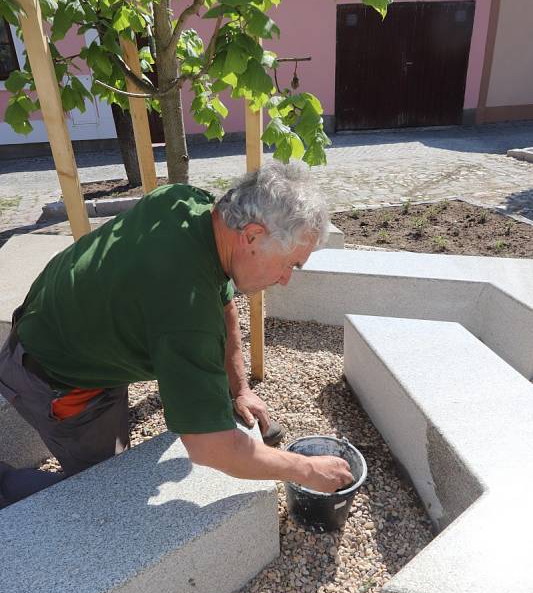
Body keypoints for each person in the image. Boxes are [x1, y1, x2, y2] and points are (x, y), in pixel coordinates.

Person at [0, 161, 352, 508]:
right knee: (106, 498)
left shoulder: (189, 205)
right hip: (51, 374)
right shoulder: (186, 307)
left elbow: (223, 298)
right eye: (290, 264)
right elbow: (210, 446)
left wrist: (240, 388)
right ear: (252, 236)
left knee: (117, 477)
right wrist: (305, 469)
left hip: (68, 325)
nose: (286, 279)